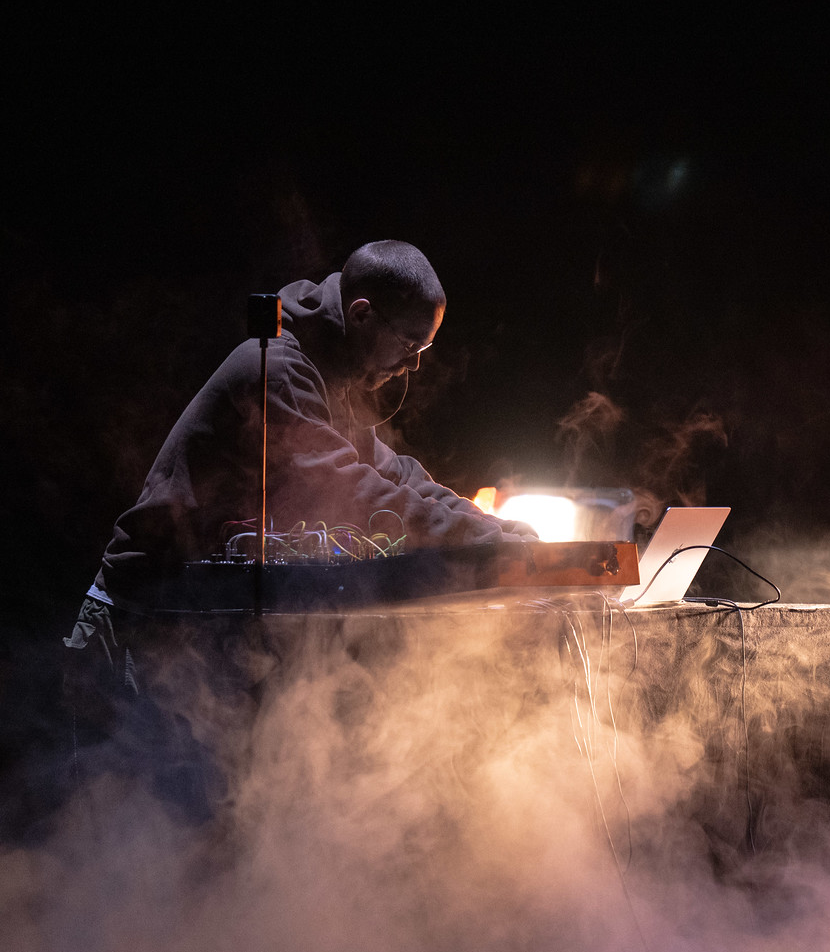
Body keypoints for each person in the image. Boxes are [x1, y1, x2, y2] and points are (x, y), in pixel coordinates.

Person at [64, 240, 535, 663]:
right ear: (362, 314)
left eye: (424, 349)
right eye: (410, 344)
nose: (413, 364)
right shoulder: (279, 368)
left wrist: (501, 532)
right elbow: (354, 493)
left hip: (200, 618)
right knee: (137, 763)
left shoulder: (334, 379)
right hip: (142, 618)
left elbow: (399, 477)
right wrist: (490, 548)